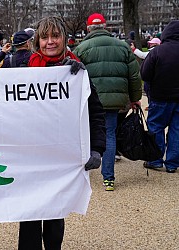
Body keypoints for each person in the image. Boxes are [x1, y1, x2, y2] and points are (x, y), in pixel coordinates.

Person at [18, 16, 106, 250]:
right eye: (44, 37)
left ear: (64, 38)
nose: (50, 42)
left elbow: (95, 112)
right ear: (37, 40)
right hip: (29, 154)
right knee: (28, 214)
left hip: (60, 156)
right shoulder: (23, 68)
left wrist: (97, 148)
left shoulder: (77, 71)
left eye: (55, 36)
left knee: (55, 215)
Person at [73, 13, 142, 191]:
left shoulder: (82, 48)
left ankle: (82, 171)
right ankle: (108, 178)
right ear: (106, 27)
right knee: (109, 135)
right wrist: (135, 98)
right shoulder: (123, 47)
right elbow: (134, 75)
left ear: (88, 29)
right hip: (114, 99)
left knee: (87, 133)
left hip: (90, 98)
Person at [140, 20, 179, 173]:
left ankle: (155, 159)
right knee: (178, 129)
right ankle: (173, 163)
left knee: (156, 127)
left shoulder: (157, 51)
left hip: (160, 96)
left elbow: (144, 74)